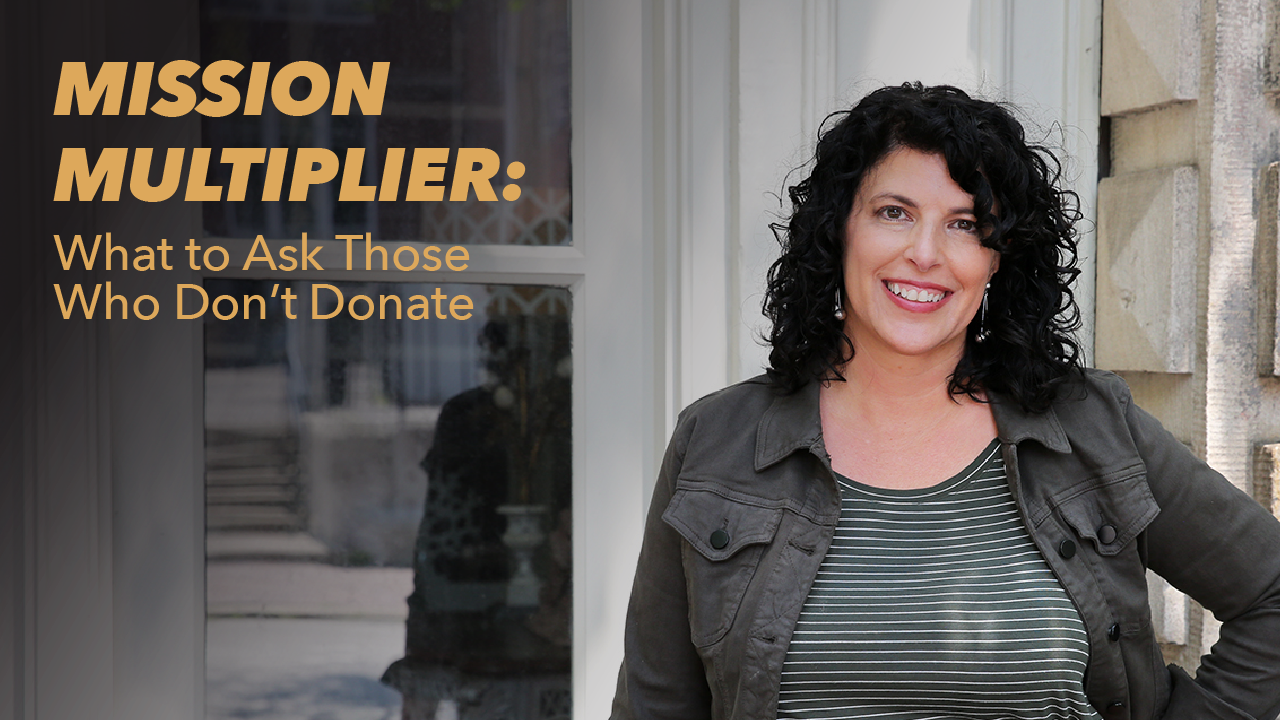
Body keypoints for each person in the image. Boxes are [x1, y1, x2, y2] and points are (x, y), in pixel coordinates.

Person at [610, 83, 1280, 720]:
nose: (924, 253)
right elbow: (654, 707)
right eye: (893, 213)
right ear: (839, 230)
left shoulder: (1092, 429)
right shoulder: (716, 441)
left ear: (998, 260)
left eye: (964, 224)